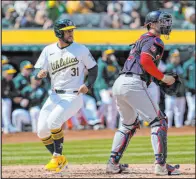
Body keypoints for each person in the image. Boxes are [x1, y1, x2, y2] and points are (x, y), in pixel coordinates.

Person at [106, 10, 180, 175]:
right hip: (133, 83)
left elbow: (143, 65)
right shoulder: (155, 40)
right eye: (162, 21)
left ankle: (112, 163)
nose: (166, 25)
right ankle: (160, 166)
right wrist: (163, 77)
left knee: (128, 125)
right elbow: (145, 60)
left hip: (121, 83)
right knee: (159, 121)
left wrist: (158, 79)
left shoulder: (141, 39)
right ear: (151, 24)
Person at [33, 18, 97, 172]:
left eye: (71, 30)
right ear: (58, 32)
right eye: (67, 30)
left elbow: (94, 69)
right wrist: (39, 74)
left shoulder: (80, 49)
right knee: (42, 131)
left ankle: (56, 157)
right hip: (54, 95)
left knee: (54, 122)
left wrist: (88, 85)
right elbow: (37, 71)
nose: (71, 33)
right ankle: (61, 160)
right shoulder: (48, 50)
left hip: (73, 96)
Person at [94, 49, 121, 129]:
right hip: (102, 88)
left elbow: (118, 74)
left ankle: (111, 127)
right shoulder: (101, 63)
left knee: (113, 108)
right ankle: (96, 121)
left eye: (111, 54)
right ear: (104, 55)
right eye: (109, 54)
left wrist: (115, 63)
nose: (111, 56)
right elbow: (100, 78)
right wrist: (107, 89)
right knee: (106, 104)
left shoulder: (113, 64)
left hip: (111, 88)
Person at [164, 49, 186, 128]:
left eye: (177, 57)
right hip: (171, 94)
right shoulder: (168, 67)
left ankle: (179, 128)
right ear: (170, 57)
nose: (176, 58)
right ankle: (167, 128)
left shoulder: (181, 67)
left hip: (180, 93)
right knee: (169, 112)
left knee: (180, 112)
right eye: (174, 57)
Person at [2, 64, 19, 134]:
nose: (11, 75)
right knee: (6, 101)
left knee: (7, 101)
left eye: (12, 73)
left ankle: (7, 126)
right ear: (3, 72)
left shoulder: (10, 82)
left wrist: (12, 96)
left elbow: (15, 93)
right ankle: (6, 126)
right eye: (9, 73)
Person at [183, 50, 195, 126]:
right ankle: (189, 121)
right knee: (192, 107)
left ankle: (192, 121)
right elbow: (184, 78)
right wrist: (188, 88)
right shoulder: (188, 64)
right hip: (190, 90)